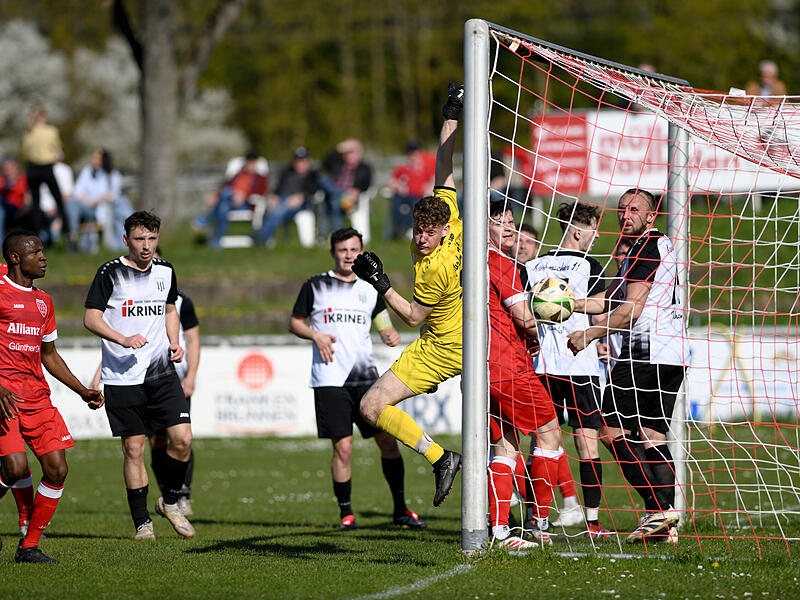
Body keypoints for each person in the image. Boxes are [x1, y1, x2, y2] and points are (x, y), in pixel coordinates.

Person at [351, 83, 465, 507]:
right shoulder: (449, 215)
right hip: (459, 337)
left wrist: (379, 283)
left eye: (427, 233)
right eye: (417, 230)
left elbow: (414, 316)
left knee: (372, 407)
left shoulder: (434, 267)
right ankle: (449, 465)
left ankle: (440, 459)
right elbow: (445, 165)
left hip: (442, 348)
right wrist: (451, 114)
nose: (420, 239)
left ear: (442, 232)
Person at [567, 188, 686, 543]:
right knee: (651, 434)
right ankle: (664, 524)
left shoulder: (644, 247)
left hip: (644, 350)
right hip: (672, 352)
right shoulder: (656, 246)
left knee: (606, 426)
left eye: (635, 209)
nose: (625, 214)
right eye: (621, 209)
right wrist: (571, 303)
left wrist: (589, 335)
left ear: (651, 217)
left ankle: (658, 507)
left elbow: (631, 308)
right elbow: (614, 297)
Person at [289, 227, 425, 530]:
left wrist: (387, 331)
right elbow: (295, 322)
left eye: (354, 250)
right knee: (344, 448)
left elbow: (381, 318)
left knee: (388, 443)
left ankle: (401, 509)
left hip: (365, 379)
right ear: (333, 252)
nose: (349, 255)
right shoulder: (315, 285)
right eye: (343, 250)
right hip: (329, 379)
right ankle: (346, 513)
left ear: (361, 252)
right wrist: (315, 335)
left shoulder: (369, 287)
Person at [83, 211, 195, 540]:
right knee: (134, 448)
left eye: (151, 239)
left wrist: (175, 341)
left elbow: (170, 308)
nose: (146, 246)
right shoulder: (110, 273)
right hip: (122, 375)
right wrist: (123, 338)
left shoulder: (165, 270)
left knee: (183, 440)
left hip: (161, 371)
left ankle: (171, 501)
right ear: (126, 240)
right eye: (139, 239)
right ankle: (142, 523)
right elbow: (91, 318)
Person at [0, 231, 104, 563]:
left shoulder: (44, 301)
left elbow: (49, 354)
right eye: (36, 252)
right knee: (15, 468)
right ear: (15, 258)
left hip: (37, 398)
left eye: (44, 251)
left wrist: (82, 390)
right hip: (4, 397)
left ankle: (28, 546)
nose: (44, 257)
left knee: (57, 469)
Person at [526, 202, 610, 540]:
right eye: (593, 228)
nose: (597, 235)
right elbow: (602, 311)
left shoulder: (532, 265)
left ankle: (537, 521)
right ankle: (592, 525)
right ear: (578, 230)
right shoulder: (589, 264)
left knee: (541, 444)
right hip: (580, 364)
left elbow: (525, 316)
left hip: (543, 364)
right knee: (587, 444)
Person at [486, 201, 562, 549]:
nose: (508, 228)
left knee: (505, 445)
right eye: (499, 222)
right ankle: (538, 522)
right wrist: (552, 311)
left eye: (512, 222)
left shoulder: (470, 262)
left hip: (484, 368)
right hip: (509, 366)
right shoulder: (500, 262)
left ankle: (501, 532)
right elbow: (525, 320)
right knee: (549, 435)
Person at [194, 151, 269, 248]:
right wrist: (215, 196)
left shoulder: (260, 178)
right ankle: (217, 240)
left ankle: (207, 219)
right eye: (249, 162)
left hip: (245, 204)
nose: (250, 165)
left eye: (253, 163)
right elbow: (225, 186)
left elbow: (261, 192)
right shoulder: (238, 175)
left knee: (226, 194)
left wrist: (244, 196)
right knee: (223, 206)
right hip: (229, 202)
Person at [20, 107, 69, 244]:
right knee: (59, 201)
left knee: (35, 205)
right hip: (46, 167)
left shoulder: (28, 132)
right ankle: (68, 234)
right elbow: (57, 147)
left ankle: (37, 238)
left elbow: (24, 151)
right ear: (43, 117)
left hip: (32, 168)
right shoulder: (50, 131)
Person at [253, 147, 319, 248]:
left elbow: (314, 191)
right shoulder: (287, 172)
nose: (300, 163)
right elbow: (278, 189)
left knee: (279, 209)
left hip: (300, 204)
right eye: (298, 161)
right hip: (282, 199)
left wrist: (302, 197)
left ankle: (261, 236)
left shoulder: (313, 175)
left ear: (308, 161)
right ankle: (264, 236)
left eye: (303, 161)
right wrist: (273, 197)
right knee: (275, 207)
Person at [66, 148, 119, 252]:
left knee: (72, 204)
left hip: (101, 208)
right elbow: (77, 191)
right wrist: (89, 201)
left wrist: (101, 198)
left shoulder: (112, 175)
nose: (93, 160)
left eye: (96, 158)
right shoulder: (87, 171)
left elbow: (114, 194)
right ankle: (72, 236)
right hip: (86, 205)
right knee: (71, 204)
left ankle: (73, 238)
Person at [318, 139, 372, 238]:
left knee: (333, 201)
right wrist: (338, 148)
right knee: (322, 179)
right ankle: (329, 236)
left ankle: (333, 237)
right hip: (337, 194)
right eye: (345, 153)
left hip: (350, 197)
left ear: (359, 153)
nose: (347, 155)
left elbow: (366, 183)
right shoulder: (339, 164)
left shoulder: (364, 168)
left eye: (351, 152)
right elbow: (324, 163)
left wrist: (357, 190)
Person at [386, 141, 435, 240]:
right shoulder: (403, 167)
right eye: (411, 153)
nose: (413, 156)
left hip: (419, 195)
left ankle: (410, 228)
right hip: (404, 194)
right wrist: (397, 186)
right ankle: (401, 228)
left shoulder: (426, 166)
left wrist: (428, 187)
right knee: (396, 204)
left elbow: (433, 179)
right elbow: (391, 181)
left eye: (415, 153)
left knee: (415, 205)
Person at [0, 157, 29, 237]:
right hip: (4, 210)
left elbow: (28, 201)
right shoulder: (1, 180)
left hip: (18, 210)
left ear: (17, 168)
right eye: (5, 169)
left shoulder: (24, 179)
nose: (8, 171)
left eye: (10, 168)